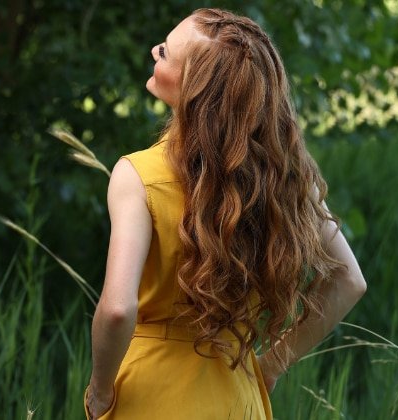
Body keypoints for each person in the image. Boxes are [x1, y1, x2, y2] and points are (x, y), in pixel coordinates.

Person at [84, 8, 367, 419]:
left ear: (193, 87)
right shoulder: (284, 177)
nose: (154, 51)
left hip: (149, 394)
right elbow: (350, 280)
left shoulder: (138, 176)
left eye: (164, 52)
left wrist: (100, 389)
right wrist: (270, 365)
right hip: (238, 394)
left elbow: (116, 309)